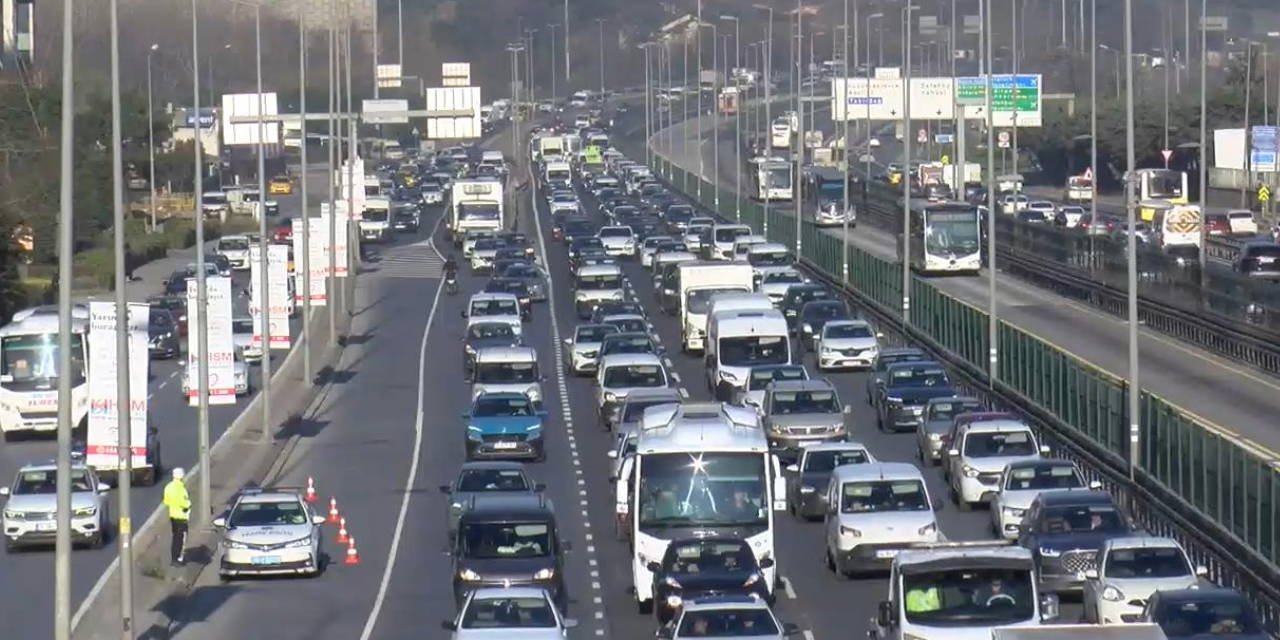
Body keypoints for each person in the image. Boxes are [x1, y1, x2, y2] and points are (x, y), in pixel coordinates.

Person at [163, 467, 192, 566]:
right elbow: (184, 502)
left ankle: (174, 558)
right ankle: (177, 559)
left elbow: (166, 501)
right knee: (181, 538)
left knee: (175, 538)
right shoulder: (180, 488)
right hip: (182, 516)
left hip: (172, 515)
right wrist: (188, 504)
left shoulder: (168, 487)